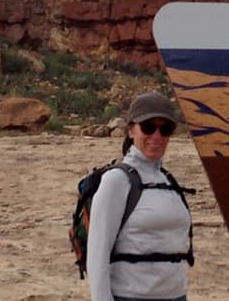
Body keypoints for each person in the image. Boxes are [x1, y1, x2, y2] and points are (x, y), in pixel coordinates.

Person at [87, 91, 192, 301]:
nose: (157, 136)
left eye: (166, 129)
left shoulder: (168, 180)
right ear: (131, 130)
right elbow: (98, 252)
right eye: (148, 127)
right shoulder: (117, 180)